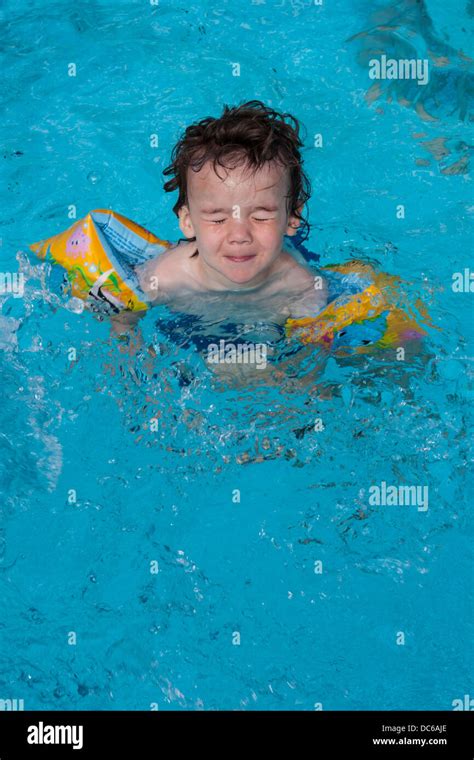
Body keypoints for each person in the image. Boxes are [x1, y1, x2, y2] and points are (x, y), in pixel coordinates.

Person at [112, 101, 327, 337]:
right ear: (188, 221)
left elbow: (310, 355)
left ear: (292, 218)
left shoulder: (301, 286)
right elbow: (124, 323)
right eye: (217, 219)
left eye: (260, 216)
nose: (239, 236)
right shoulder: (164, 278)